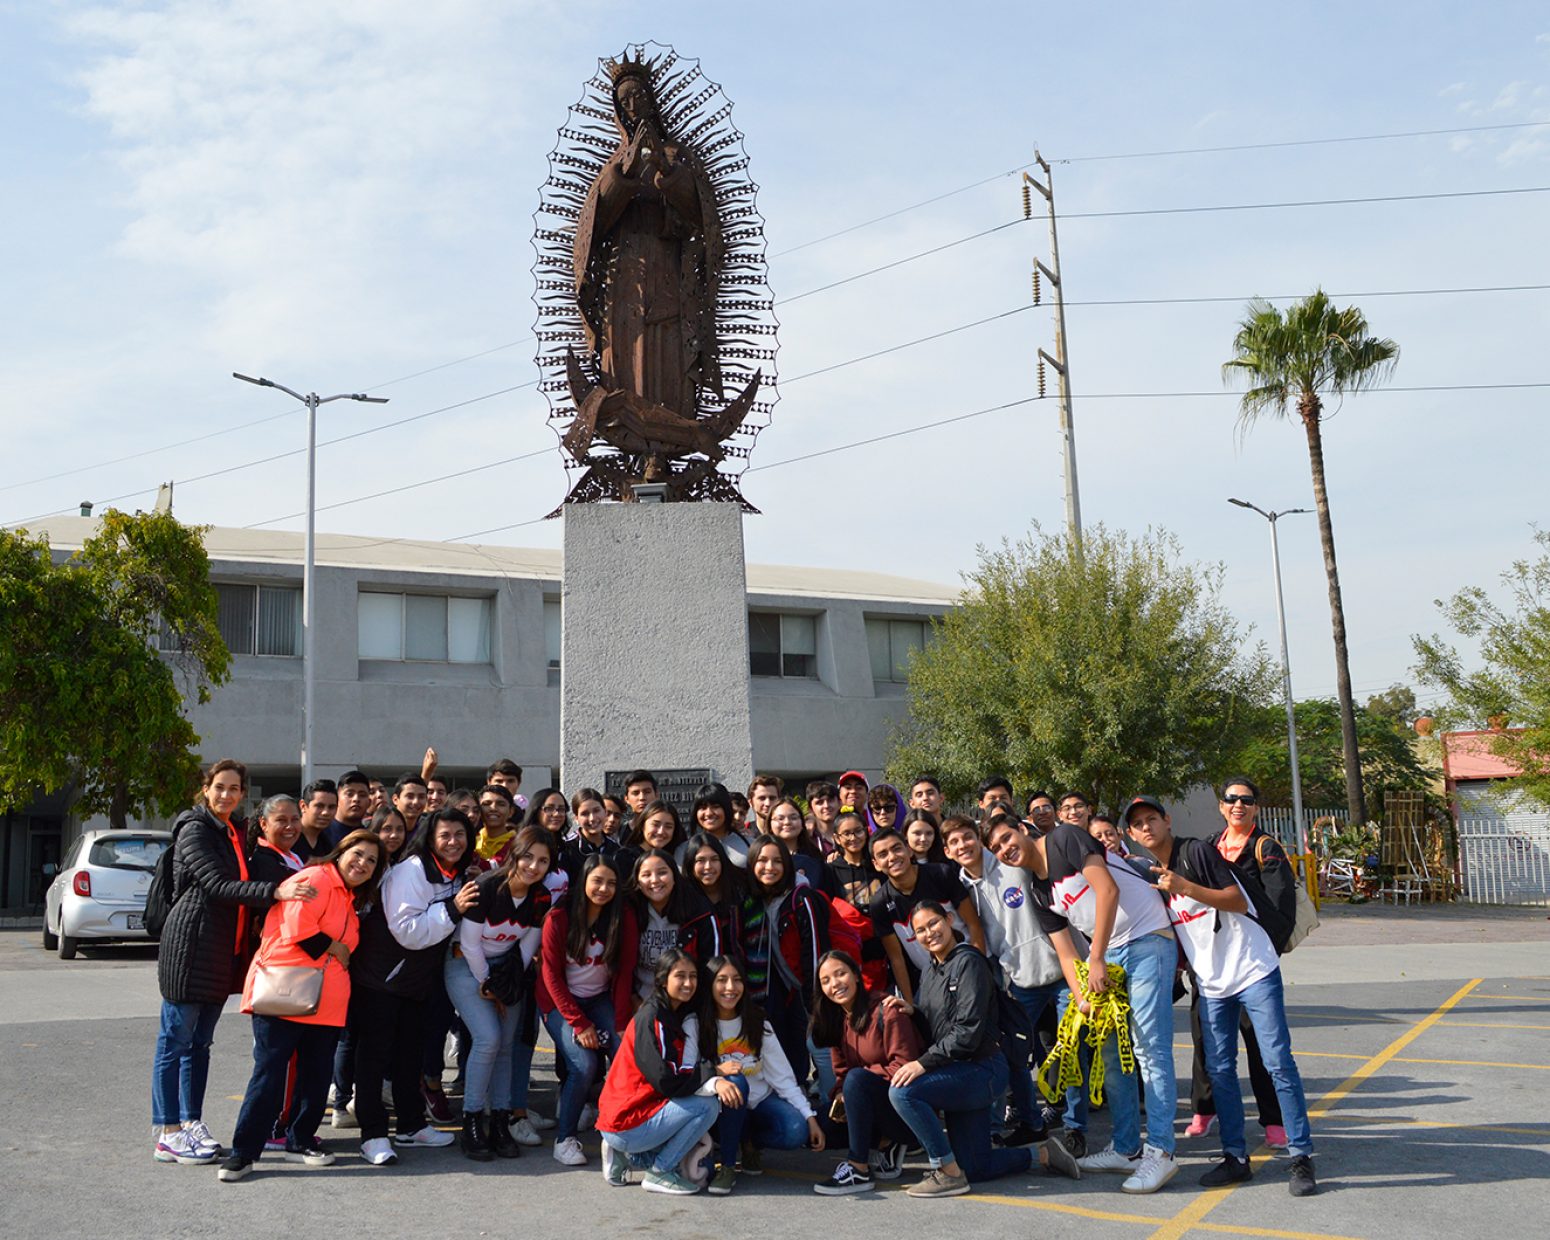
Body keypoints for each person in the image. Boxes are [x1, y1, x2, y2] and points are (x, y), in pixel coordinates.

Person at [1124, 796, 1317, 1197]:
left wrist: (1185, 886)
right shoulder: (1149, 876)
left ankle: (1300, 1156)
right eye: (1138, 823)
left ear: (1166, 821)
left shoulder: (1195, 851)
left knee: (1277, 1061)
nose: (1146, 827)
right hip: (1212, 985)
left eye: (1152, 819)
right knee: (1221, 1071)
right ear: (1131, 834)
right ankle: (1235, 1158)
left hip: (1252, 969)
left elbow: (1235, 899)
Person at [985, 815, 1179, 1194]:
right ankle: (1127, 1149)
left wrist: (1097, 957)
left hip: (1146, 940)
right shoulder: (1039, 891)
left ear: (1022, 830)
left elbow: (1108, 891)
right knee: (1112, 1052)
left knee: (1148, 1048)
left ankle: (1162, 1151)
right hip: (1109, 955)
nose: (1004, 850)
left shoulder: (1064, 839)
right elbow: (1065, 952)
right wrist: (1081, 999)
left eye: (1006, 838)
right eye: (995, 849)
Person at [152, 760, 317, 1165]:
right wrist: (276, 891)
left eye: (234, 789)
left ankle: (191, 1122)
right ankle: (168, 1131)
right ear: (206, 789)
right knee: (175, 1041)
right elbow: (216, 884)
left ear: (243, 793)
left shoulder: (229, 831)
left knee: (200, 1045)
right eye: (219, 787)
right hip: (189, 948)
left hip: (218, 950)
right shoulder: (195, 829)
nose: (227, 795)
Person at [217, 831, 385, 1180]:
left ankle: (300, 1139)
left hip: (326, 999)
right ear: (340, 852)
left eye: (371, 860)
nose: (363, 863)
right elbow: (299, 929)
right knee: (269, 1073)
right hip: (286, 992)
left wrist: (341, 948)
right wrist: (336, 947)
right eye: (358, 854)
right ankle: (245, 1151)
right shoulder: (315, 878)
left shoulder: (350, 896)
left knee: (316, 1074)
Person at [883, 902, 1079, 1197]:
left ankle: (945, 1170)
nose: (929, 933)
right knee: (975, 1166)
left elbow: (968, 1031)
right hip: (958, 1071)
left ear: (949, 920)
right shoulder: (931, 971)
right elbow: (937, 1026)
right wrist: (912, 1012)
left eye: (934, 923)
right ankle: (1043, 1155)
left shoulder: (969, 962)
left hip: (982, 1070)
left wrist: (922, 1064)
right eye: (920, 930)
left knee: (903, 1092)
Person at [941, 814, 1087, 1153]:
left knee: (1071, 1054)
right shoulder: (961, 890)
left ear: (978, 840)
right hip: (1020, 982)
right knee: (1011, 1054)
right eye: (954, 843)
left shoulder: (1013, 862)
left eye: (967, 837)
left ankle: (1075, 1128)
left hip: (1065, 972)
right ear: (947, 852)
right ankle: (1030, 1122)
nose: (963, 846)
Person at [347, 808, 478, 1165]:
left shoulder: (456, 874)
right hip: (381, 979)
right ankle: (373, 1134)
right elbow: (406, 930)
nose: (453, 842)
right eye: (445, 835)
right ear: (429, 838)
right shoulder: (413, 871)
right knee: (373, 1059)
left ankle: (410, 1125)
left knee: (410, 1056)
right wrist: (453, 908)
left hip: (416, 981)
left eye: (460, 834)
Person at [1186, 780, 1299, 1147]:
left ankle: (1273, 1122)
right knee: (1208, 1045)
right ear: (1221, 806)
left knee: (1262, 1048)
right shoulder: (1208, 847)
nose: (1238, 805)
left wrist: (1266, 952)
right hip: (1211, 962)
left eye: (1246, 800)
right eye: (1231, 799)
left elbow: (1282, 906)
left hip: (1250, 964)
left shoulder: (1266, 847)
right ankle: (1205, 1110)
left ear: (1256, 808)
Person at [446, 824, 554, 1160]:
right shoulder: (487, 886)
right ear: (514, 855)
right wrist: (489, 988)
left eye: (543, 861)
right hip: (466, 966)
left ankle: (502, 1120)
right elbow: (470, 943)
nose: (533, 866)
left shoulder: (540, 896)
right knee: (488, 1038)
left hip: (506, 971)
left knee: (506, 1044)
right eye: (527, 857)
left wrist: (504, 989)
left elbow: (527, 948)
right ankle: (473, 1121)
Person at [597, 950, 741, 1196]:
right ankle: (660, 1171)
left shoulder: (671, 1012)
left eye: (693, 976)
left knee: (699, 1155)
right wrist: (714, 1074)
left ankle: (624, 1156)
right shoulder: (653, 1017)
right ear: (663, 980)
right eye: (680, 976)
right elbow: (667, 1080)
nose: (688, 983)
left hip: (629, 1117)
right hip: (626, 1120)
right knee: (707, 1107)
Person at [538, 853, 638, 1166]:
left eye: (611, 883)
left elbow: (624, 973)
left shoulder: (623, 918)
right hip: (559, 1002)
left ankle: (627, 1129)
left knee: (626, 1051)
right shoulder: (559, 917)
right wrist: (579, 1024)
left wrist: (621, 1022)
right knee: (583, 1064)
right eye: (597, 881)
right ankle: (565, 1138)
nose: (603, 888)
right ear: (583, 882)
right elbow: (551, 976)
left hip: (599, 999)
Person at [701, 955, 823, 1194]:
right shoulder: (699, 1023)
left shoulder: (758, 1023)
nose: (730, 988)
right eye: (721, 980)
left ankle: (750, 1143)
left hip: (759, 1103)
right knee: (735, 1081)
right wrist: (717, 1071)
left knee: (795, 1130)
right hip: (719, 1107)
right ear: (709, 985)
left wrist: (809, 1116)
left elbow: (783, 1078)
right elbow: (691, 1070)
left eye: (737, 980)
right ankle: (727, 1165)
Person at [809, 950, 918, 1195]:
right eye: (826, 981)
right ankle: (884, 1144)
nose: (835, 984)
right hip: (866, 1107)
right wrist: (841, 1094)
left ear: (856, 975)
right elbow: (841, 1073)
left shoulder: (886, 1009)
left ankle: (858, 1168)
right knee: (813, 1125)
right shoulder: (837, 1020)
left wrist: (857, 1085)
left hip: (903, 1112)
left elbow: (903, 1065)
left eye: (840, 974)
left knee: (857, 1079)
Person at [330, 804, 409, 1133]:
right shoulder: (357, 871)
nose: (392, 835)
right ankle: (340, 1100)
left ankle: (362, 1098)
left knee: (370, 1039)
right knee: (349, 1038)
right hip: (345, 964)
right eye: (386, 828)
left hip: (374, 969)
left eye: (399, 829)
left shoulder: (400, 869)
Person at [744, 835, 831, 1086]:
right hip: (790, 993)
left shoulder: (802, 898)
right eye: (762, 860)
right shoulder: (759, 900)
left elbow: (817, 953)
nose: (769, 867)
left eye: (777, 861)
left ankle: (831, 1115)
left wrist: (818, 1004)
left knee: (823, 1055)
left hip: (813, 995)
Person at [867, 828, 983, 1004]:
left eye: (896, 848)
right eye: (883, 854)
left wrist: (982, 968)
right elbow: (897, 959)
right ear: (875, 863)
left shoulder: (941, 874)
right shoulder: (879, 903)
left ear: (909, 849)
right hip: (933, 980)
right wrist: (910, 1004)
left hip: (970, 965)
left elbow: (973, 923)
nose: (892, 857)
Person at [628, 848, 722, 1001]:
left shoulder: (698, 911)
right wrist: (632, 998)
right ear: (637, 881)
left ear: (674, 877)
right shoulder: (630, 912)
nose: (655, 880)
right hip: (641, 1000)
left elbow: (712, 965)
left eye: (662, 872)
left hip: (687, 1001)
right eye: (646, 875)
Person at [682, 832, 755, 959]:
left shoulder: (742, 894)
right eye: (700, 860)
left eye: (714, 859)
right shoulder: (684, 900)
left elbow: (755, 943)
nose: (708, 867)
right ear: (690, 864)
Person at [768, 797, 830, 890]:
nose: (787, 822)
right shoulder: (763, 857)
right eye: (780, 818)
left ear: (802, 823)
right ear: (770, 825)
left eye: (793, 818)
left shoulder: (814, 857)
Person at [686, 782, 749, 869]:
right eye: (703, 808)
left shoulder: (750, 845)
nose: (709, 813)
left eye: (715, 807)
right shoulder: (684, 850)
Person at [562, 787, 620, 880]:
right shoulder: (566, 848)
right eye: (585, 814)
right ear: (576, 818)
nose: (592, 818)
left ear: (604, 812)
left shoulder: (616, 849)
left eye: (596, 811)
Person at [826, 813, 882, 907]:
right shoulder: (831, 871)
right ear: (837, 838)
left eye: (858, 831)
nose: (853, 838)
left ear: (866, 831)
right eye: (846, 833)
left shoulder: (877, 863)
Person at [619, 799, 687, 876]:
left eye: (668, 827)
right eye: (656, 825)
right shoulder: (625, 857)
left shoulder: (677, 857)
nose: (661, 831)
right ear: (642, 825)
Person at [472, 783, 523, 868]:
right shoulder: (469, 842)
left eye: (501, 804)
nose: (493, 808)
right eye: (487, 804)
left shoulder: (520, 844)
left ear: (511, 811)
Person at [294, 780, 342, 862]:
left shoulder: (328, 844)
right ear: (303, 806)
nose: (325, 812)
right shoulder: (289, 837)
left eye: (331, 807)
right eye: (319, 806)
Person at [804, 780, 842, 855]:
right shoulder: (807, 838)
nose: (826, 806)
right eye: (819, 802)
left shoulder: (849, 833)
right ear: (810, 809)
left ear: (840, 803)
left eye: (830, 800)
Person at [334, 770, 372, 835]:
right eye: (349, 794)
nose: (356, 799)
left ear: (369, 802)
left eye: (362, 795)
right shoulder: (320, 834)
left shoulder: (371, 838)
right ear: (336, 798)